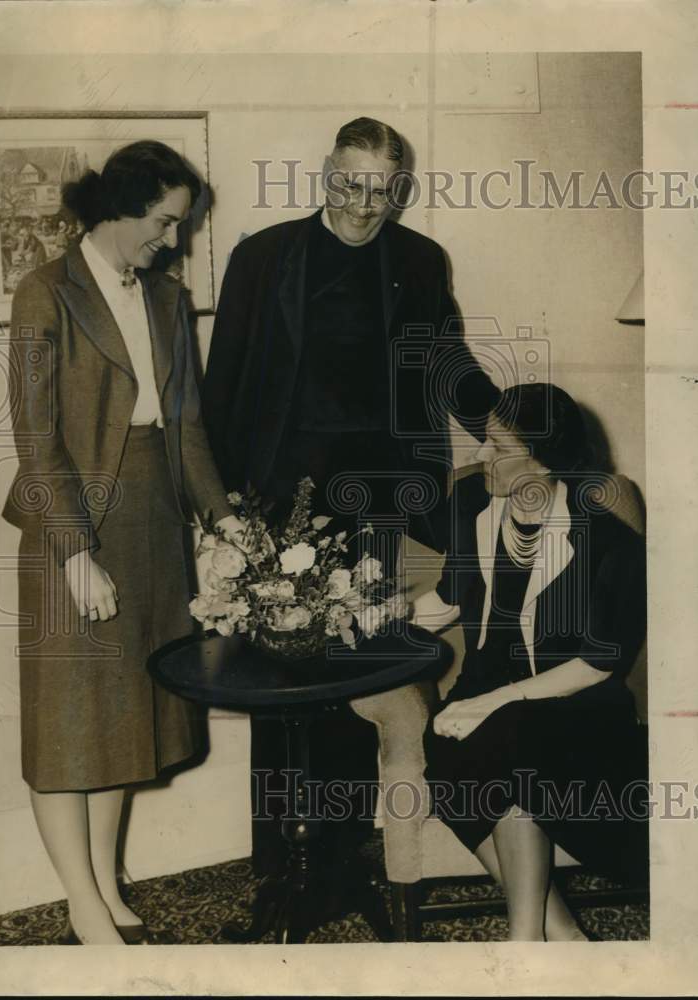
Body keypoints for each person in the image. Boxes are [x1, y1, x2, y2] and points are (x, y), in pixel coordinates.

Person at [202, 117, 498, 876]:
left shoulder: (420, 261)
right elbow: (223, 383)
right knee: (283, 682)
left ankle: (345, 855)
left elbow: (446, 363)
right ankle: (283, 868)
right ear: (324, 174)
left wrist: (504, 428)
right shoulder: (265, 258)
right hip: (280, 508)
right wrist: (217, 512)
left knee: (363, 667)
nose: (364, 206)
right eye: (349, 186)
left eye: (381, 190)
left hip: (381, 502)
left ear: (398, 186)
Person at [3, 140, 241, 945]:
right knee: (70, 718)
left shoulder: (169, 299)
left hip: (153, 522)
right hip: (70, 518)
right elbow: (37, 444)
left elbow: (190, 429)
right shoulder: (46, 293)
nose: (173, 242)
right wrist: (74, 553)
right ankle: (79, 902)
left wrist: (224, 519)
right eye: (166, 223)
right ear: (120, 208)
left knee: (126, 715)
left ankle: (104, 885)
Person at [418, 382, 648, 941]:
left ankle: (524, 943)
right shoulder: (471, 506)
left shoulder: (603, 536)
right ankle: (560, 937)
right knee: (458, 745)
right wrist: (368, 613)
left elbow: (598, 663)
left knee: (506, 744)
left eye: (496, 447)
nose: (477, 456)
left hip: (576, 701)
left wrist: (492, 702)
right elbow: (448, 600)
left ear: (543, 461)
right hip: (487, 691)